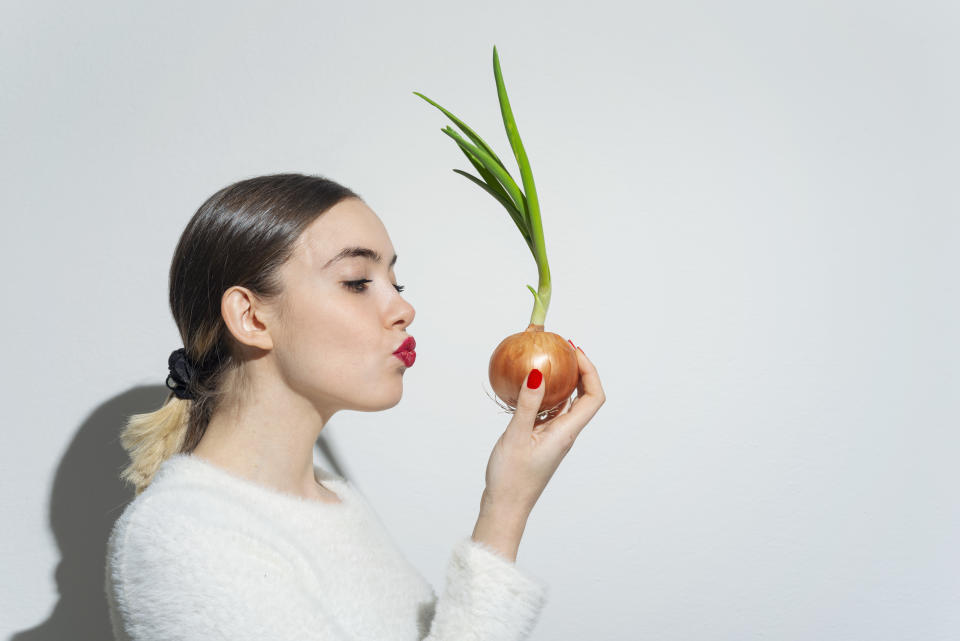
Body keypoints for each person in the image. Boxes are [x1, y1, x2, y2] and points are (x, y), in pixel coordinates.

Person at [104, 173, 605, 641]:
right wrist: (506, 510)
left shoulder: (336, 502)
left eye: (396, 283)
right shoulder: (185, 540)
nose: (404, 309)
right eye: (357, 282)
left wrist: (505, 497)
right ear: (251, 317)